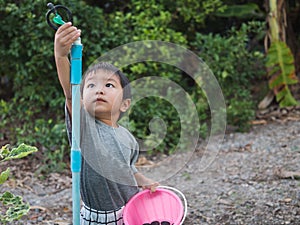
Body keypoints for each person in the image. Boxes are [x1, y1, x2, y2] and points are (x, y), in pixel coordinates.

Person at [54, 22, 159, 225]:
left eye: (109, 85)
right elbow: (70, 92)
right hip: (98, 219)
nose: (99, 90)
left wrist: (143, 181)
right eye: (91, 85)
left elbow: (128, 169)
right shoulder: (85, 128)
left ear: (125, 104)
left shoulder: (127, 138)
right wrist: (61, 57)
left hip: (129, 212)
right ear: (82, 100)